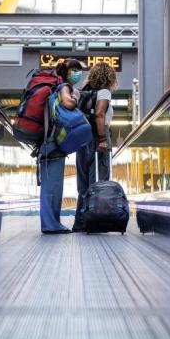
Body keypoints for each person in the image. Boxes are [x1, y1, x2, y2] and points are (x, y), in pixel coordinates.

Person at [38, 59, 84, 234]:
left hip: (48, 143)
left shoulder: (56, 87)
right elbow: (68, 103)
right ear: (67, 72)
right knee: (53, 187)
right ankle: (51, 224)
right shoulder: (63, 87)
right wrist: (75, 96)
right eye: (75, 70)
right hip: (53, 145)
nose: (78, 74)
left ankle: (51, 223)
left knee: (51, 186)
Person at [71, 62, 117, 231]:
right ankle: (94, 221)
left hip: (81, 139)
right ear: (109, 77)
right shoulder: (104, 92)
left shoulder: (81, 94)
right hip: (98, 138)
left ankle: (80, 222)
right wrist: (103, 138)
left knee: (83, 184)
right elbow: (99, 114)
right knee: (99, 182)